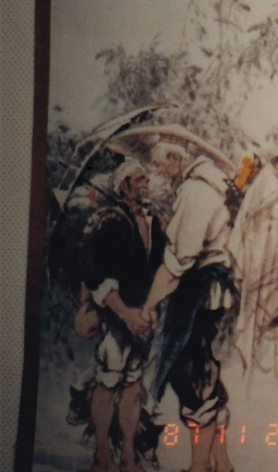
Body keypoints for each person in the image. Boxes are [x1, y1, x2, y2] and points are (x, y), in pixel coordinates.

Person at [141, 142, 235, 472]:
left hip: (199, 292)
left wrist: (147, 307)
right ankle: (222, 464)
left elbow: (179, 261)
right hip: (210, 291)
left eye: (159, 164)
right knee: (203, 371)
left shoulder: (195, 190)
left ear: (176, 157)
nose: (157, 172)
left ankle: (199, 467)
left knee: (190, 376)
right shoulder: (208, 184)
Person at [84, 158, 166, 472]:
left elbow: (158, 272)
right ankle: (102, 455)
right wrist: (125, 314)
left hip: (141, 317)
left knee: (133, 385)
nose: (146, 184)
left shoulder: (154, 222)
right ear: (124, 186)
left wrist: (148, 312)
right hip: (114, 316)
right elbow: (96, 275)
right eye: (139, 179)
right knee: (108, 380)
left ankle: (129, 457)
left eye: (146, 178)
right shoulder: (110, 220)